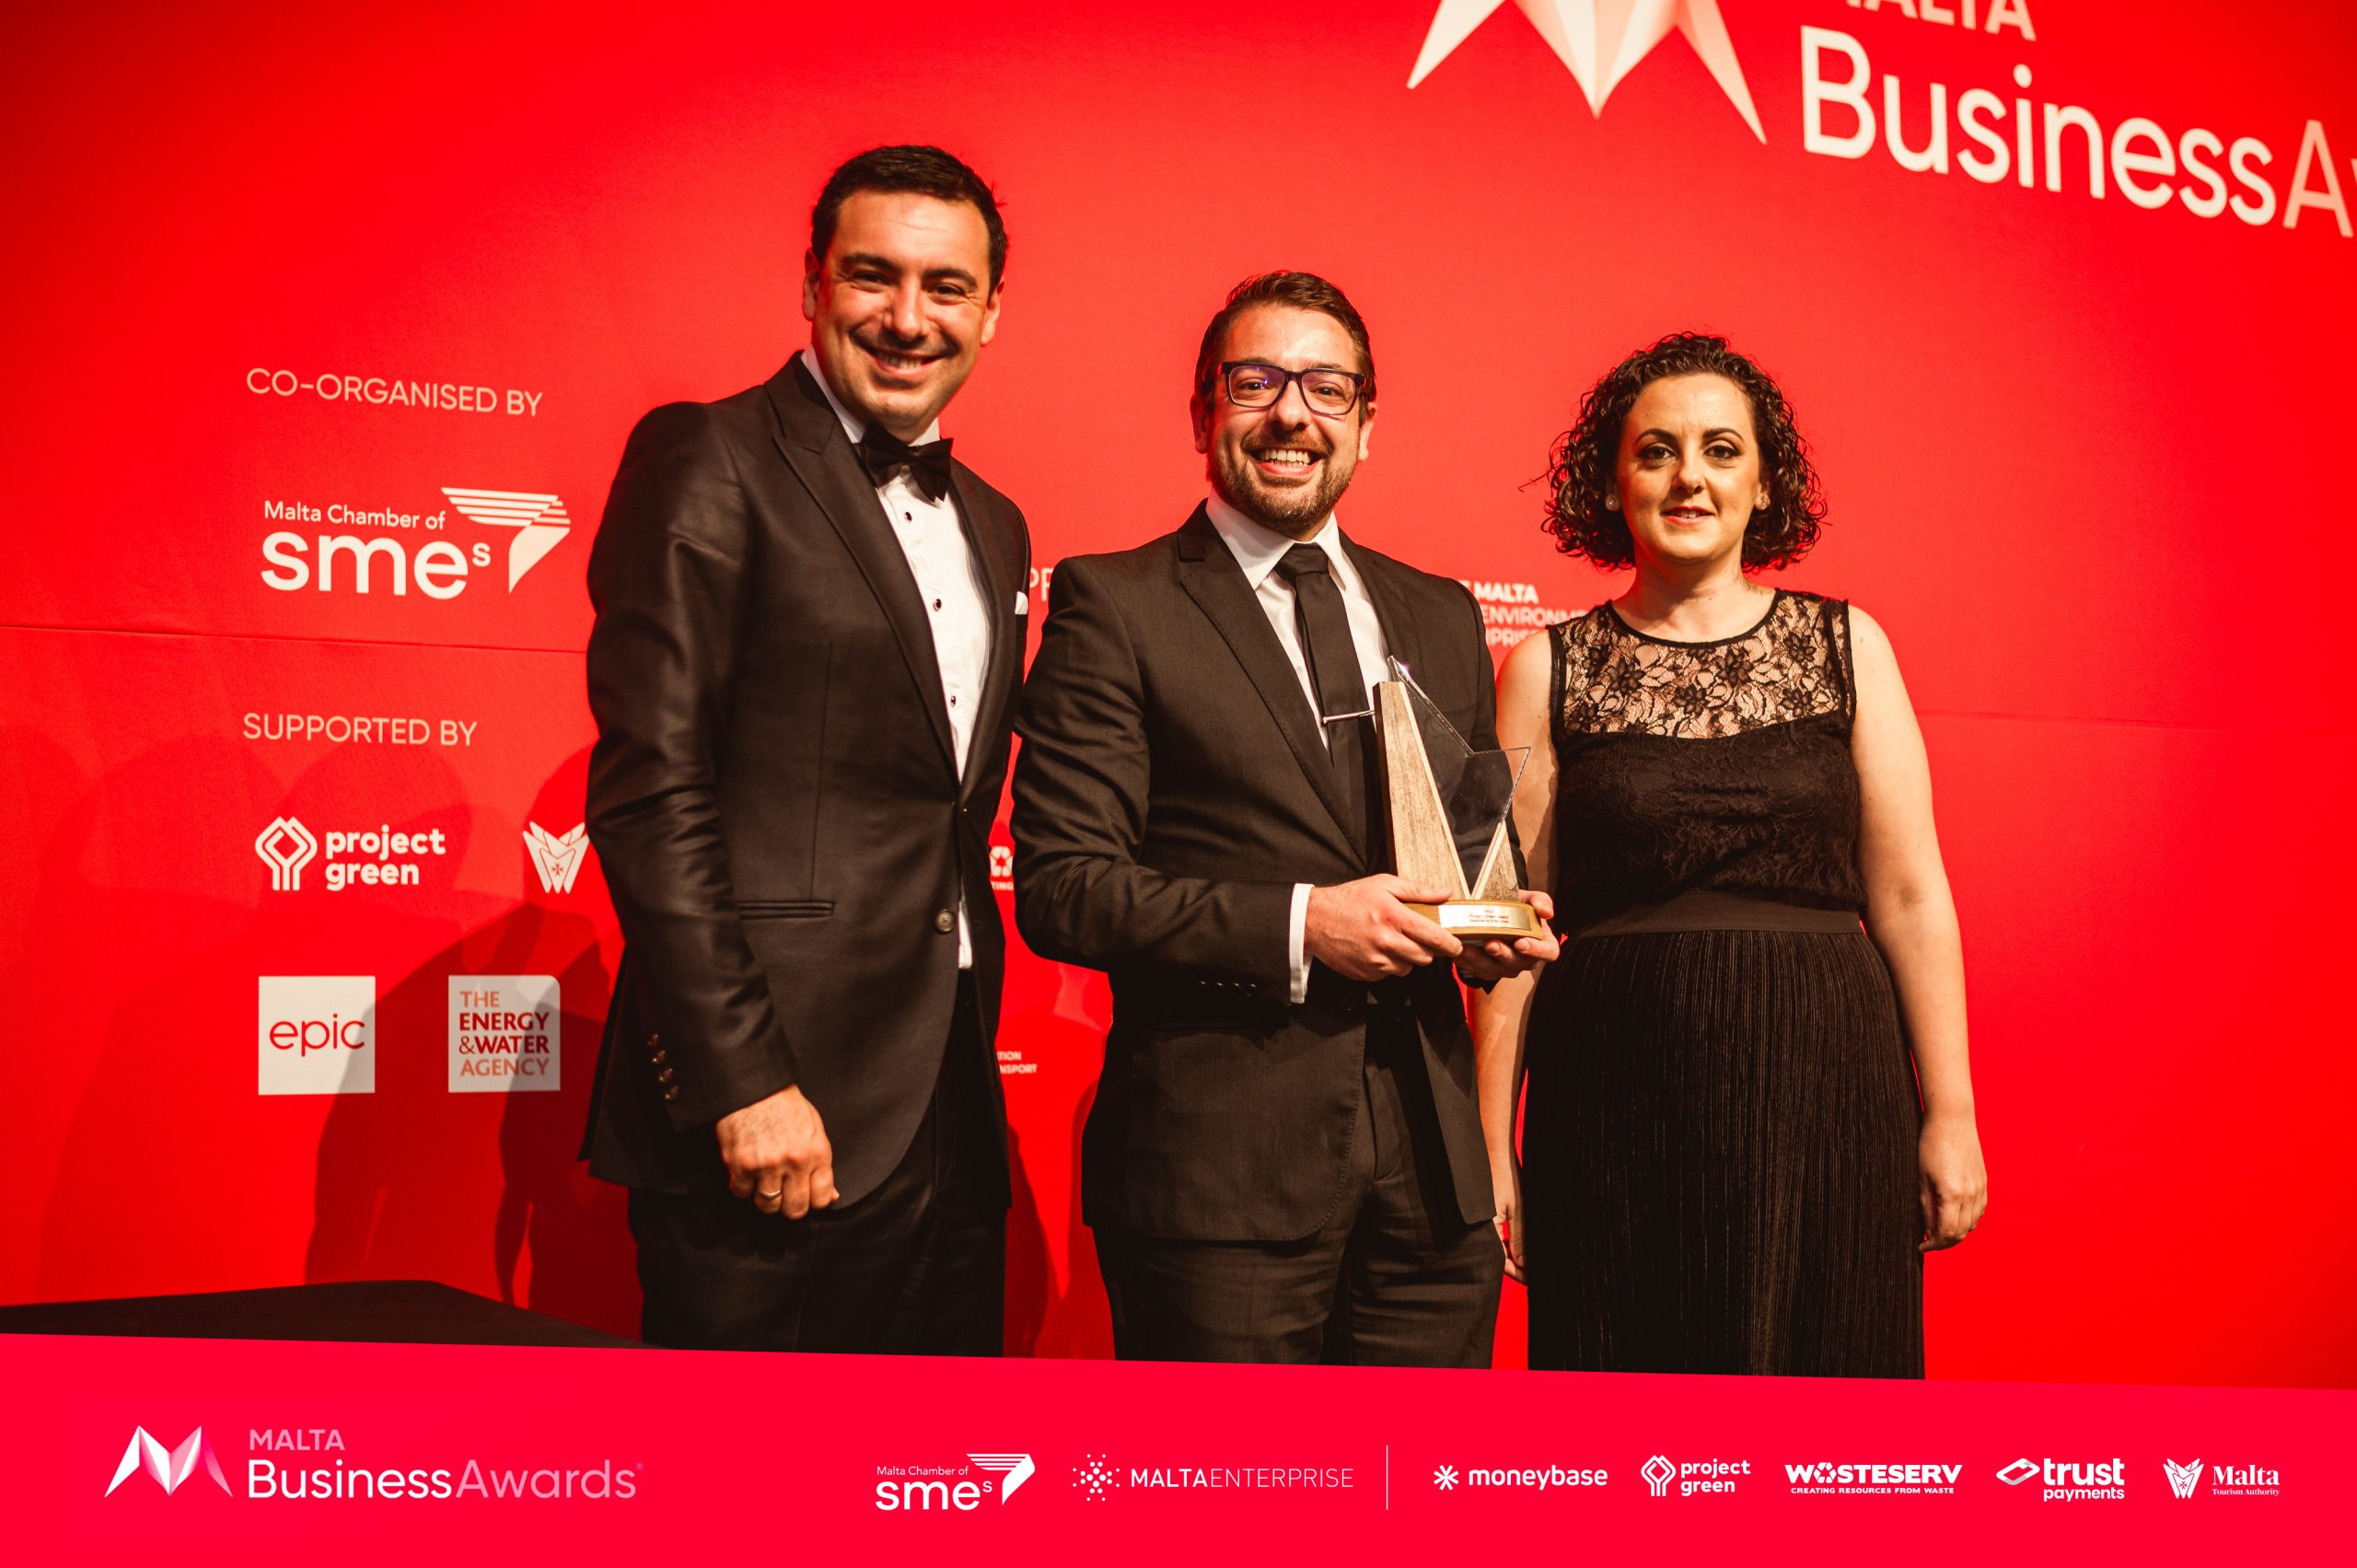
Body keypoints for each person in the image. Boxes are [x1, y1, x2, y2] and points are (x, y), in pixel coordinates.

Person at [1013, 272, 1557, 1365]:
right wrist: (1306, 923)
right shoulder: (1117, 602)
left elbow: (1462, 852)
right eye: (1256, 382)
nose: (1292, 414)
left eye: (1326, 387)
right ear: (1202, 412)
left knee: (1422, 1480)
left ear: (1365, 422)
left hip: (1433, 1177)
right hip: (1220, 1179)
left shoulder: (1439, 611)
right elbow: (1066, 887)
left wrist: (1491, 927)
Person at [578, 145, 1029, 1353]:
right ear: (812, 283)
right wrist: (742, 1080)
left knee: (939, 1458)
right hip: (774, 1110)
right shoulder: (709, 456)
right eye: (873, 276)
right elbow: (651, 793)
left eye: (947, 286)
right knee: (751, 1462)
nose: (908, 318)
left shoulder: (994, 520)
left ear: (992, 309)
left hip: (946, 1106)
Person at [1474, 331, 1987, 1376]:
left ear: (1764, 485)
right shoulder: (1543, 668)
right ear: (1610, 484)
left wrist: (1952, 1112)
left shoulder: (1850, 646)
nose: (1689, 477)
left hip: (1828, 1077)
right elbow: (1512, 929)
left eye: (1720, 449)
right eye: (1655, 451)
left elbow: (1908, 894)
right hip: (1614, 1090)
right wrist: (1492, 1147)